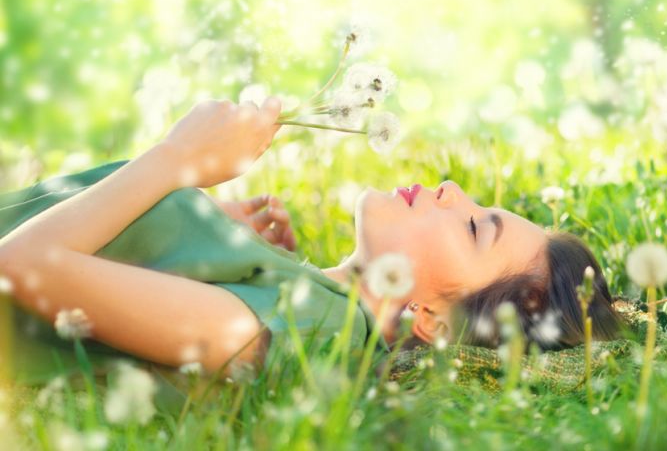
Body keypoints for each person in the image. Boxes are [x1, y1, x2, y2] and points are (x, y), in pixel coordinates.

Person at [0, 96, 623, 386]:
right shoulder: (301, 300)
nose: (454, 187)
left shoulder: (312, 335)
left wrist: (176, 161)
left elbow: (22, 266)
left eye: (473, 227)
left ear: (431, 319)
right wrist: (201, 240)